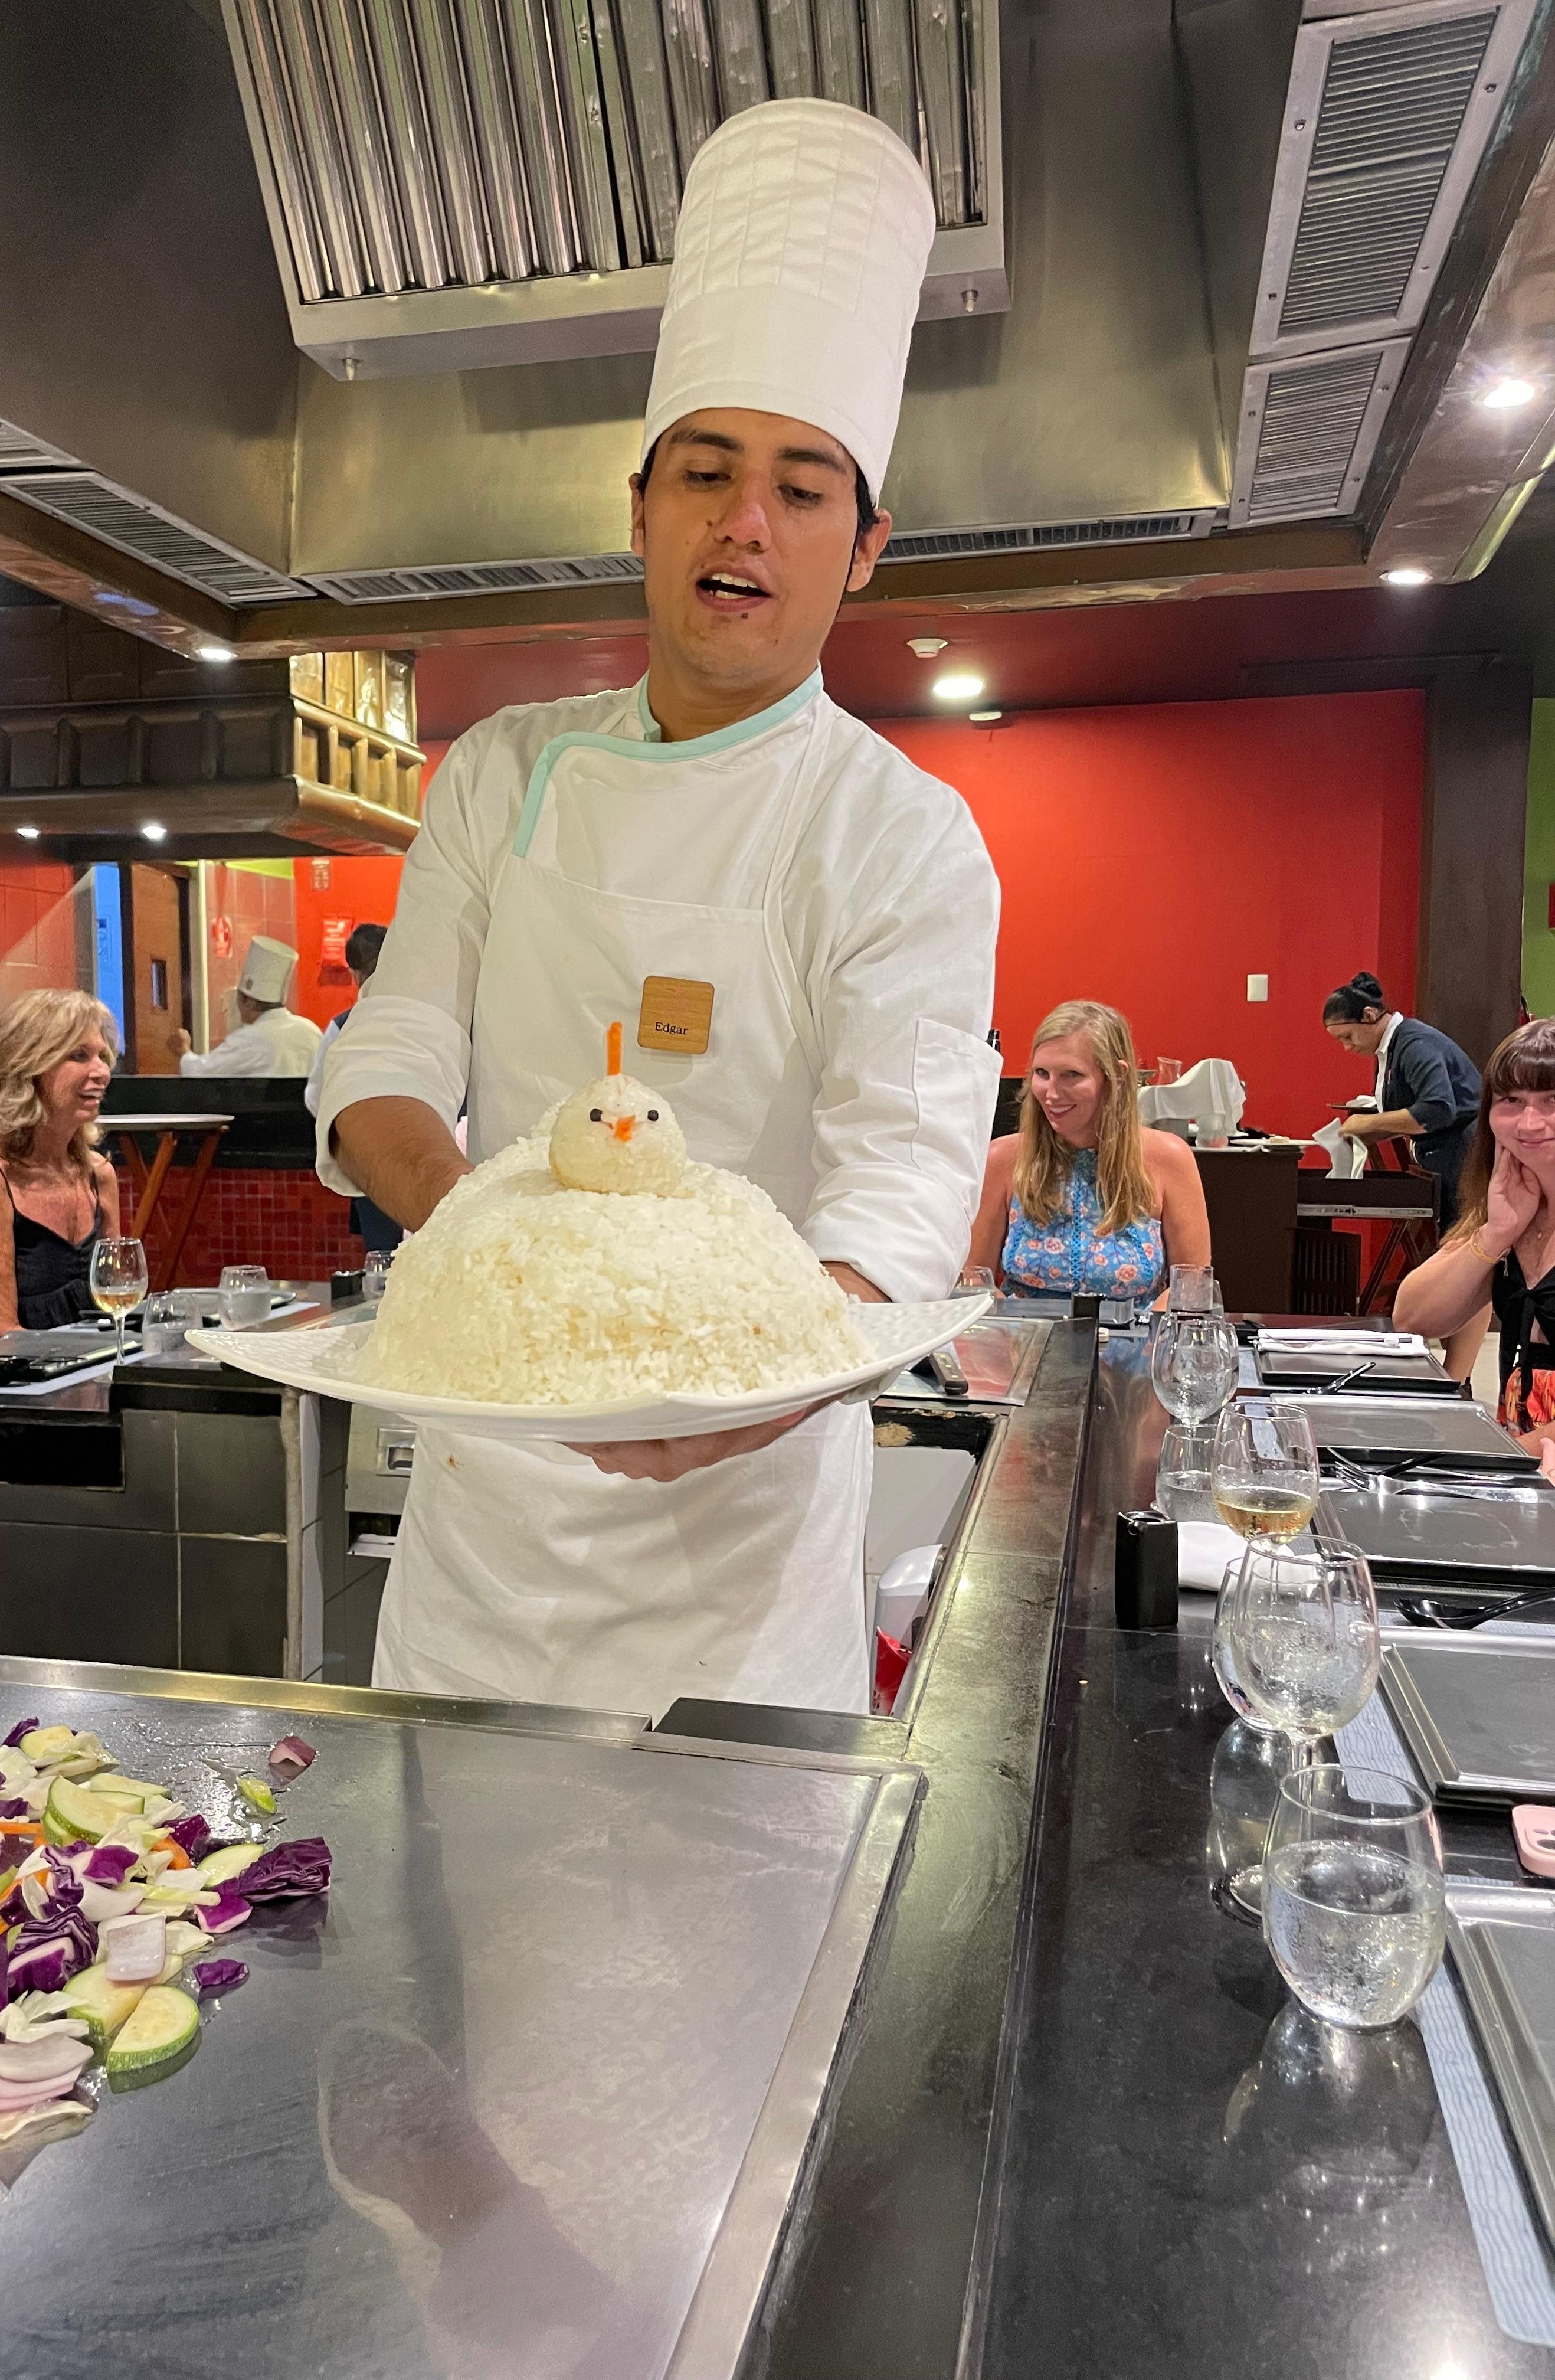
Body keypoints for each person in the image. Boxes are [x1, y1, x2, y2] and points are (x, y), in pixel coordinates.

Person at [316, 99, 1000, 1721]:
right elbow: (391, 1048)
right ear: (639, 510)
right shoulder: (502, 772)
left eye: (801, 486)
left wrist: (711, 1401)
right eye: (704, 473)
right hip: (484, 1541)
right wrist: (494, 1249)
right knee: (457, 1970)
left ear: (866, 545)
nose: (743, 522)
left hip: (741, 1571)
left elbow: (898, 1192)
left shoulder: (903, 834)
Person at [968, 1001, 1209, 1300]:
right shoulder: (1002, 1159)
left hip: (1137, 1340)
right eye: (1042, 1073)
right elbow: (973, 1281)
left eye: (1072, 1075)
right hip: (1025, 1340)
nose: (1052, 1093)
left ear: (1116, 1078)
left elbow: (1191, 1288)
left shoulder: (1169, 1158)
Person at [1394, 1018, 1555, 1449]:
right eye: (1511, 1100)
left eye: (1552, 1100)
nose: (1530, 1123)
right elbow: (1413, 1317)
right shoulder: (1515, 1201)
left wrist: (1497, 1459)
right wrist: (1496, 1233)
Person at [0, 989, 121, 1339]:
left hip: (93, 1373)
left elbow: (120, 1306)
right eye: (79, 1056)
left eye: (102, 1056)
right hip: (15, 1385)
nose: (102, 1071)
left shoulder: (98, 1174)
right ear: (29, 1069)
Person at [1323, 971, 1480, 1231]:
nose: (1347, 1048)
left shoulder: (1415, 1044)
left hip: (1464, 1152)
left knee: (1461, 1241)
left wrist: (1368, 1123)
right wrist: (1369, 1133)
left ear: (1369, 1015)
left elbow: (1437, 1109)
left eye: (1347, 1037)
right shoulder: (1395, 1045)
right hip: (1447, 1152)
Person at [305, 925, 403, 1257]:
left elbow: (318, 1099)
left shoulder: (344, 1026)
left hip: (371, 1161)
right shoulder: (434, 1019)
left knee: (386, 1266)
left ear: (355, 975)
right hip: (434, 1153)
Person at [170, 935, 320, 1079]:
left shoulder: (252, 1038)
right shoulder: (312, 1031)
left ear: (248, 1001)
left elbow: (202, 1074)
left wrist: (183, 1050)